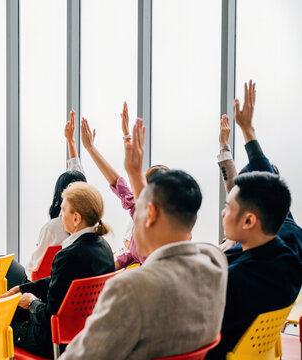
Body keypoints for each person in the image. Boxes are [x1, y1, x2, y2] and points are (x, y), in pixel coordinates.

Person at [59, 119, 228, 360]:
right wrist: (133, 173)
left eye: (138, 212)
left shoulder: (131, 290)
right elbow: (132, 198)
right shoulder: (215, 264)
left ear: (150, 216)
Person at [206, 81, 302, 359]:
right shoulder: (289, 240)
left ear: (249, 220)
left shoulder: (235, 280)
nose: (224, 212)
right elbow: (267, 183)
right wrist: (248, 132)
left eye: (228, 206)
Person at [0, 182, 115, 358]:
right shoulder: (104, 248)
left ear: (76, 218)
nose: (60, 215)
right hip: (83, 331)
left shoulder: (67, 255)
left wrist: (31, 302)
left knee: (4, 328)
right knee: (16, 306)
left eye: (63, 210)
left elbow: (49, 317)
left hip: (52, 340)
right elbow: (62, 283)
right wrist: (22, 289)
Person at [80, 102, 168, 269]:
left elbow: (117, 182)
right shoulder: (143, 213)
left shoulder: (154, 219)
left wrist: (91, 148)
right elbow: (117, 182)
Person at [6, 110, 86, 288]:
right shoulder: (92, 225)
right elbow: (81, 186)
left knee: (6, 264)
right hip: (73, 287)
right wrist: (71, 142)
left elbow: (34, 269)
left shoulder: (53, 227)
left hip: (44, 287)